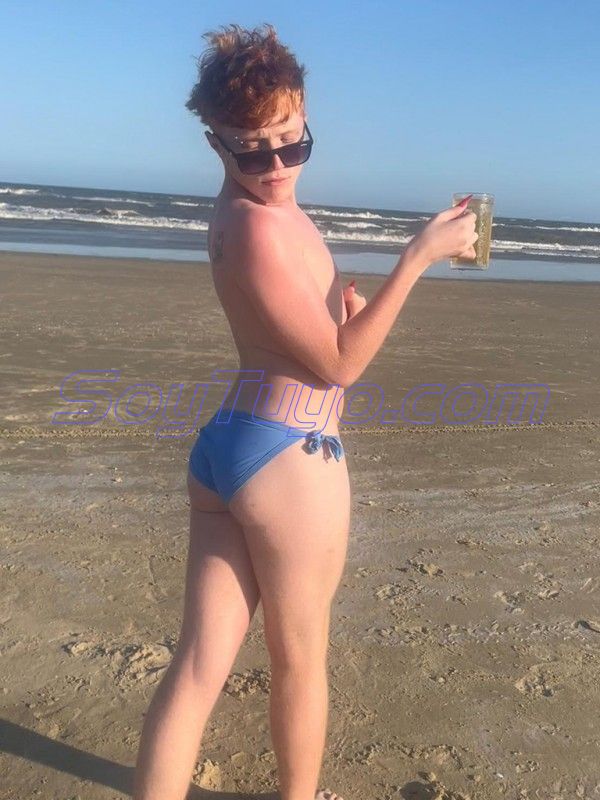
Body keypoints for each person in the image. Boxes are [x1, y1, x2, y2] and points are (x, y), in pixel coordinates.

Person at [132, 22, 478, 800]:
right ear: (216, 144)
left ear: (305, 114)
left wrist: (340, 312)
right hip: (289, 455)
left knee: (199, 666)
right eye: (252, 152)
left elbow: (306, 337)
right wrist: (417, 258)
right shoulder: (256, 226)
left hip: (232, 445)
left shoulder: (248, 208)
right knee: (299, 659)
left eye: (292, 142)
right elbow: (342, 364)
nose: (277, 166)